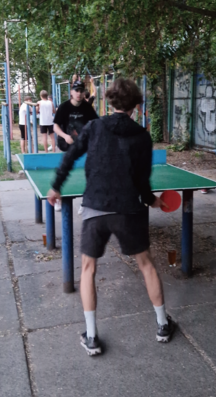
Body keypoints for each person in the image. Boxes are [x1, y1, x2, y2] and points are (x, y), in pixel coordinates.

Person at [47, 78, 176, 356]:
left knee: (87, 270)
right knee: (147, 266)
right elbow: (143, 183)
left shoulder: (94, 127)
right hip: (129, 209)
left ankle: (92, 337)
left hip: (96, 208)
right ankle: (163, 325)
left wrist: (56, 186)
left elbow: (69, 157)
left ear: (110, 100)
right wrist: (154, 201)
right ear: (136, 106)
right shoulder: (142, 136)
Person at [53, 81, 100, 153]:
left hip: (82, 147)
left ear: (84, 93)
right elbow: (55, 126)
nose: (79, 93)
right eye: (76, 90)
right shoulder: (63, 107)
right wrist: (65, 136)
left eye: (81, 91)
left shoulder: (87, 107)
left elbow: (96, 123)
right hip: (65, 147)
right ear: (71, 92)